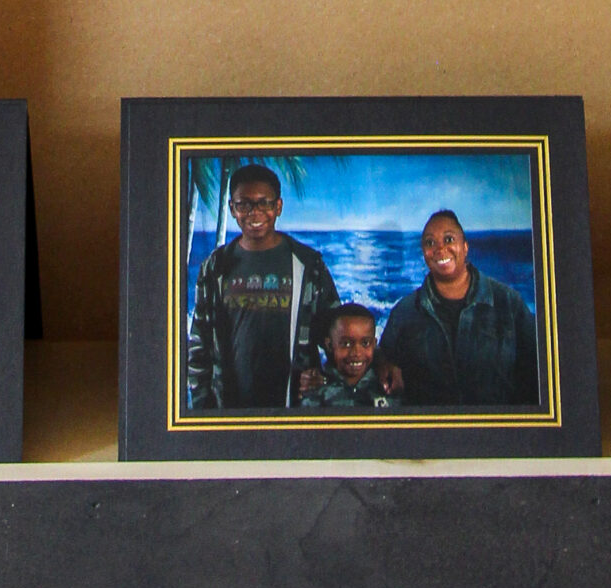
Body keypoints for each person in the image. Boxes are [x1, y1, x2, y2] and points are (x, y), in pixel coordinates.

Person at [185, 163, 339, 411]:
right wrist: (204, 409)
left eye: (264, 203)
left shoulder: (308, 264)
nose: (254, 213)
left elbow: (338, 335)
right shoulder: (214, 267)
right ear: (232, 208)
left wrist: (326, 380)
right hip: (229, 410)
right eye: (244, 204)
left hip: (295, 408)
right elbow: (198, 345)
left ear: (278, 207)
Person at [377, 208, 539, 409]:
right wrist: (384, 363)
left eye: (449, 239)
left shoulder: (508, 302)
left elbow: (537, 371)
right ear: (424, 253)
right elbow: (382, 359)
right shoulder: (405, 311)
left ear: (465, 247)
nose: (440, 248)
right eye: (430, 243)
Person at [298, 303, 397, 411]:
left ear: (374, 344)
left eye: (365, 343)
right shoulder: (315, 391)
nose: (357, 353)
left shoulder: (389, 387)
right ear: (329, 345)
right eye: (346, 344)